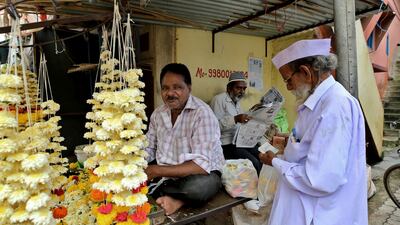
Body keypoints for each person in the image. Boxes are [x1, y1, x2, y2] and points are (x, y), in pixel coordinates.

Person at [259, 39, 368, 225]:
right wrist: (287, 149)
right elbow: (309, 146)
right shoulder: (316, 102)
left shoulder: (335, 105)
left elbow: (319, 179)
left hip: (321, 213)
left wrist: (275, 161)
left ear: (306, 72)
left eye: (288, 80)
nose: (288, 87)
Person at [145, 63, 225, 216]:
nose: (170, 93)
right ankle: (169, 193)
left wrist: (155, 171)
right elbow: (149, 148)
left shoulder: (202, 114)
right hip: (166, 175)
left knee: (197, 188)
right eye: (165, 88)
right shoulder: (158, 114)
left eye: (177, 87)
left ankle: (175, 199)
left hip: (200, 174)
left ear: (189, 87)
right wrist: (133, 164)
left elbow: (200, 166)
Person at [210, 72, 262, 174]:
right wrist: (235, 119)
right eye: (238, 88)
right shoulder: (219, 100)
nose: (241, 91)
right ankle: (256, 188)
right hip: (226, 144)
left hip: (238, 141)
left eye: (243, 89)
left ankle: (264, 184)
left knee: (261, 154)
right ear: (229, 88)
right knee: (254, 162)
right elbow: (214, 127)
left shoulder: (237, 101)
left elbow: (241, 122)